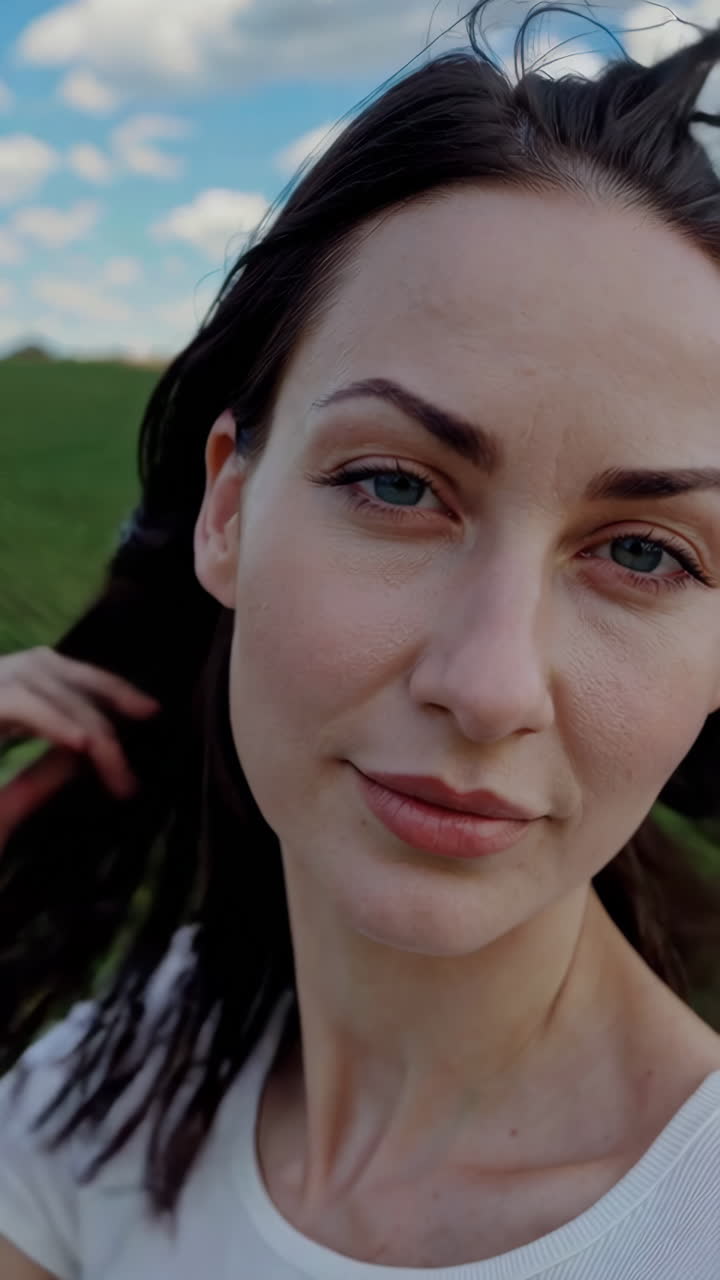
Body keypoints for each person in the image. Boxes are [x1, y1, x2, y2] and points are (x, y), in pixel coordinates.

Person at [2, 1, 720, 1275]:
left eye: (646, 553)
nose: (488, 685)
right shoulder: (98, 1098)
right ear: (229, 506)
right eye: (396, 484)